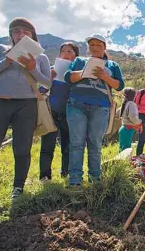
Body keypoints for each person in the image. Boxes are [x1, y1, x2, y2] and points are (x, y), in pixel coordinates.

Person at [0, 17, 52, 198]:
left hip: (26, 105)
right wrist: (6, 62)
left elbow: (47, 82)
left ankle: (18, 188)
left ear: (32, 35)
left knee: (22, 148)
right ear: (11, 35)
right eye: (16, 31)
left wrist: (33, 68)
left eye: (25, 32)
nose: (20, 35)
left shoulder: (41, 57)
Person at [64, 34, 124, 187]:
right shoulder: (79, 61)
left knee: (95, 144)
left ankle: (95, 180)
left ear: (104, 47)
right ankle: (75, 180)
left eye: (98, 45)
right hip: (77, 105)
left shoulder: (112, 65)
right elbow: (67, 77)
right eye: (92, 45)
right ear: (88, 48)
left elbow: (119, 86)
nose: (95, 48)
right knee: (76, 143)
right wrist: (84, 72)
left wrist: (104, 76)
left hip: (101, 107)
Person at [39, 42, 80, 183]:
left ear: (76, 55)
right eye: (63, 51)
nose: (66, 53)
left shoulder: (78, 73)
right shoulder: (52, 70)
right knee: (47, 146)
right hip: (52, 112)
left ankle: (66, 174)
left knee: (67, 147)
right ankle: (45, 176)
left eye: (70, 51)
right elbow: (41, 90)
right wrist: (49, 78)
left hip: (70, 114)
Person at [119, 87, 142, 152]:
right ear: (134, 96)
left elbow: (118, 113)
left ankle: (121, 162)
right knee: (126, 150)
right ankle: (123, 162)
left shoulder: (125, 103)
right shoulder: (131, 104)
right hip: (127, 130)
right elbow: (133, 117)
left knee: (122, 149)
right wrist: (139, 122)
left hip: (124, 129)